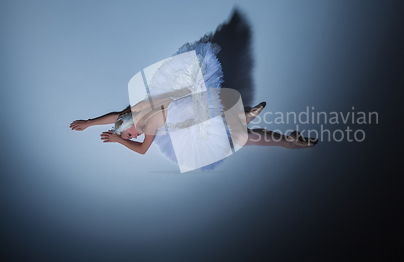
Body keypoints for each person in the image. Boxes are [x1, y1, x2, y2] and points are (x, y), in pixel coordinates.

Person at [70, 39, 317, 171]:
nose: (132, 136)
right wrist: (97, 127)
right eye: (129, 136)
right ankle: (284, 139)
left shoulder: (143, 114)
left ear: (129, 124)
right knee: (241, 137)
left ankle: (258, 125)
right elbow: (128, 130)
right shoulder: (147, 122)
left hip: (190, 110)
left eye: (128, 134)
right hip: (192, 126)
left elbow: (121, 121)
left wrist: (101, 129)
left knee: (236, 131)